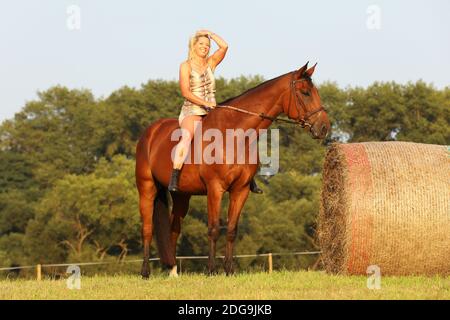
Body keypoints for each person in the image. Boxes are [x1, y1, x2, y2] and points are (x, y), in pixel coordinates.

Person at [168, 30, 263, 194]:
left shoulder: (211, 63)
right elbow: (185, 92)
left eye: (207, 45)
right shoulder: (185, 66)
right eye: (201, 44)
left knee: (237, 135)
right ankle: (174, 176)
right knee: (187, 137)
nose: (205, 47)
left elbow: (225, 46)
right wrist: (205, 103)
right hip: (192, 110)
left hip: (212, 111)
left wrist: (209, 34)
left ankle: (249, 177)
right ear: (194, 46)